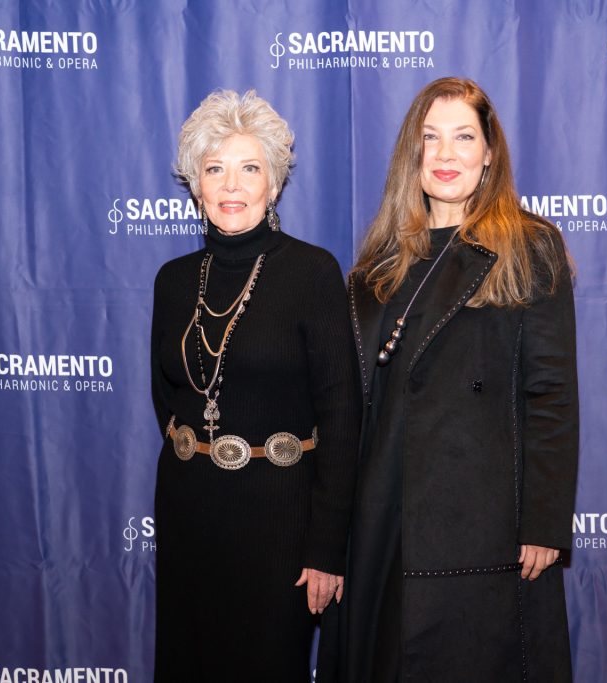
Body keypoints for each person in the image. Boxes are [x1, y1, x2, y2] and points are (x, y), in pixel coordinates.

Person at [319, 77, 579, 682]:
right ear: (411, 153)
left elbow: (552, 395)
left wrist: (543, 521)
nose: (445, 154)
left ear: (489, 153)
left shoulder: (528, 247)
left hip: (483, 526)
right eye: (430, 137)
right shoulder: (373, 272)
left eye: (463, 137)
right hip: (380, 522)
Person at [152, 89, 360, 682]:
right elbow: (166, 398)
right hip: (189, 513)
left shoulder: (312, 272)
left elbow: (343, 415)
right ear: (196, 185)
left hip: (281, 523)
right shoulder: (173, 281)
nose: (231, 185)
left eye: (249, 168)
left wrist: (326, 547)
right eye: (215, 169)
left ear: (273, 183)